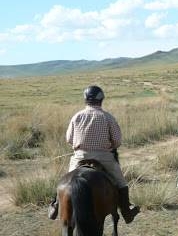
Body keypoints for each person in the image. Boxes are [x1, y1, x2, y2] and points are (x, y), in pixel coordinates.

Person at [48, 85, 140, 223]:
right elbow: (117, 140)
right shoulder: (107, 117)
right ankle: (127, 211)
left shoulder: (77, 116)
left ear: (85, 99)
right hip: (104, 157)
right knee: (121, 182)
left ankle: (56, 205)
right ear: (101, 99)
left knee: (67, 180)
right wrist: (110, 147)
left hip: (79, 157)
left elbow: (69, 139)